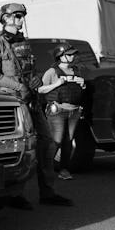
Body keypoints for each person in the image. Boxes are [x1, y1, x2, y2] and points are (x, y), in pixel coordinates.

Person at [0, 3, 73, 207]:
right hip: (12, 101)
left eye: (22, 15)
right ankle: (14, 194)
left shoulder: (23, 42)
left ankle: (48, 192)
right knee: (18, 147)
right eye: (16, 16)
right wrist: (19, 86)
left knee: (47, 143)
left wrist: (36, 80)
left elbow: (29, 69)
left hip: (31, 100)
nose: (20, 19)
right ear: (5, 18)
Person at [38, 43, 85, 181]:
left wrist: (82, 84)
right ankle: (44, 169)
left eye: (73, 54)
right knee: (56, 141)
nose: (72, 57)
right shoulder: (52, 72)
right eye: (69, 54)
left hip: (74, 111)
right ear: (60, 56)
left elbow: (79, 90)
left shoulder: (76, 70)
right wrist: (57, 84)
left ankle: (64, 169)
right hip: (57, 111)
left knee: (68, 141)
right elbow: (40, 90)